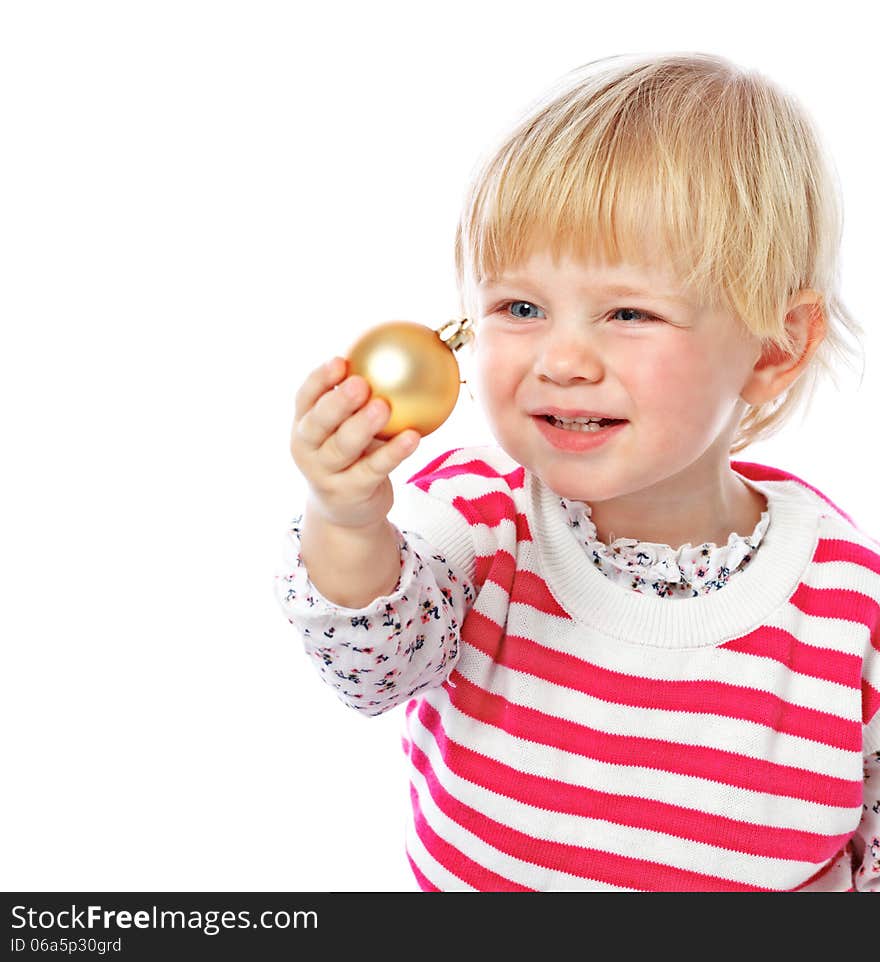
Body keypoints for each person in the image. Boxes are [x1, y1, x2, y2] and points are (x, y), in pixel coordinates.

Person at [273, 52, 880, 891]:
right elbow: (372, 666)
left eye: (629, 312)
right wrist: (346, 520)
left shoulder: (846, 600)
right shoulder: (478, 522)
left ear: (774, 347)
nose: (560, 360)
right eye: (520, 308)